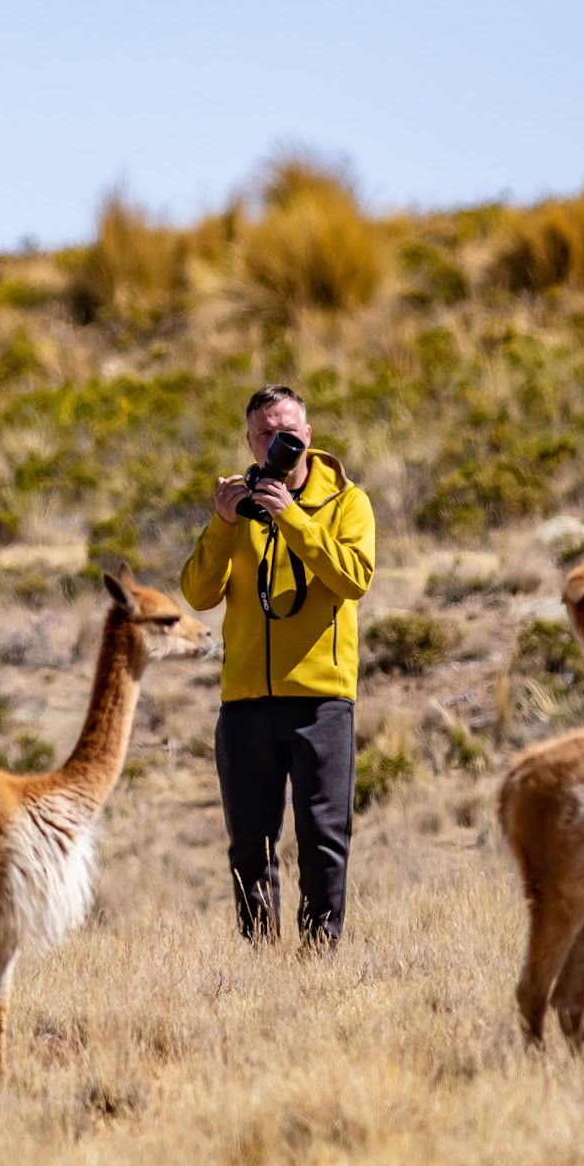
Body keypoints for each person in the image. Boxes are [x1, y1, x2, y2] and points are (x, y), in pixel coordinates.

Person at [179, 384, 376, 945]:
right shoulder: (237, 507)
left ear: (308, 436)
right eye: (266, 434)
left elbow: (353, 578)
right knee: (250, 846)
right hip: (245, 704)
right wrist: (222, 524)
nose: (278, 442)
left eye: (288, 432)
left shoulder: (347, 503)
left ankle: (320, 961)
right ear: (250, 441)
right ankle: (260, 962)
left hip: (322, 701)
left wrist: (292, 519)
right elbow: (196, 594)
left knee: (323, 840)